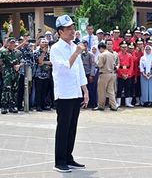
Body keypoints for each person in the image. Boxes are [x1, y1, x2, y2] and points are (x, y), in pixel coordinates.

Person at [50, 14, 89, 173]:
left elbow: (79, 70)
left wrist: (85, 90)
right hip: (64, 94)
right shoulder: (56, 48)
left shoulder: (74, 46)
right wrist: (77, 52)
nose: (72, 31)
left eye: (73, 28)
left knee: (72, 127)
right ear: (60, 32)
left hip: (75, 92)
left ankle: (68, 157)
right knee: (63, 128)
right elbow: (64, 68)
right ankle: (60, 161)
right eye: (68, 29)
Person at [0, 37, 22, 114]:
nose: (12, 44)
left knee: (14, 90)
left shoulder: (18, 52)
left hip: (15, 73)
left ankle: (12, 106)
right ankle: (4, 106)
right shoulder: (3, 52)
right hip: (7, 73)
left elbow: (22, 61)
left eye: (13, 43)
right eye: (11, 43)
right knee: (6, 90)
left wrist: (19, 66)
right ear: (8, 43)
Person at [93, 42, 118, 111]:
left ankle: (101, 105)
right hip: (112, 73)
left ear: (100, 48)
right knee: (111, 91)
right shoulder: (112, 54)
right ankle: (114, 105)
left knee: (101, 91)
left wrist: (96, 62)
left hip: (104, 73)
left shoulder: (102, 55)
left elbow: (100, 65)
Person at [34, 38, 52, 111]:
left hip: (46, 74)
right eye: (43, 42)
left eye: (45, 42)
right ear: (40, 43)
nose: (44, 43)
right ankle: (38, 105)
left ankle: (43, 105)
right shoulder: (37, 52)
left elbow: (52, 62)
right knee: (39, 91)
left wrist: (44, 62)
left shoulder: (49, 52)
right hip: (38, 74)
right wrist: (43, 53)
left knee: (45, 91)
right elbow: (39, 61)